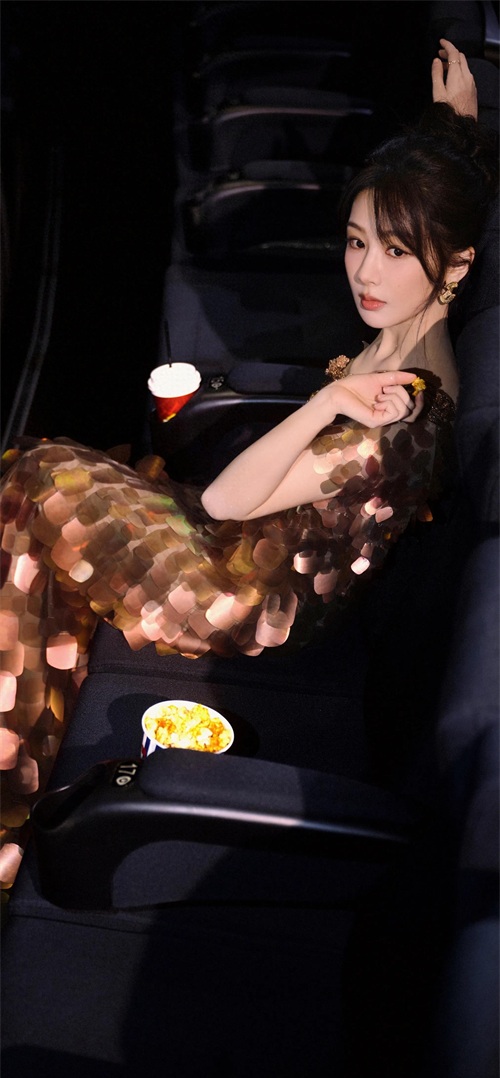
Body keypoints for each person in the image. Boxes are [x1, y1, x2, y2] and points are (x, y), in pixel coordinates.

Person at [0, 40, 497, 885]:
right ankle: (22, 762)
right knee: (37, 481)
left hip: (245, 596)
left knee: (32, 488)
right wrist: (457, 127)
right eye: (356, 241)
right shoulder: (411, 327)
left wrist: (326, 405)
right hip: (263, 546)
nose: (366, 272)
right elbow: (437, 204)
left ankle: (12, 793)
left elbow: (224, 505)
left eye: (395, 252)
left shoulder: (400, 418)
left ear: (455, 266)